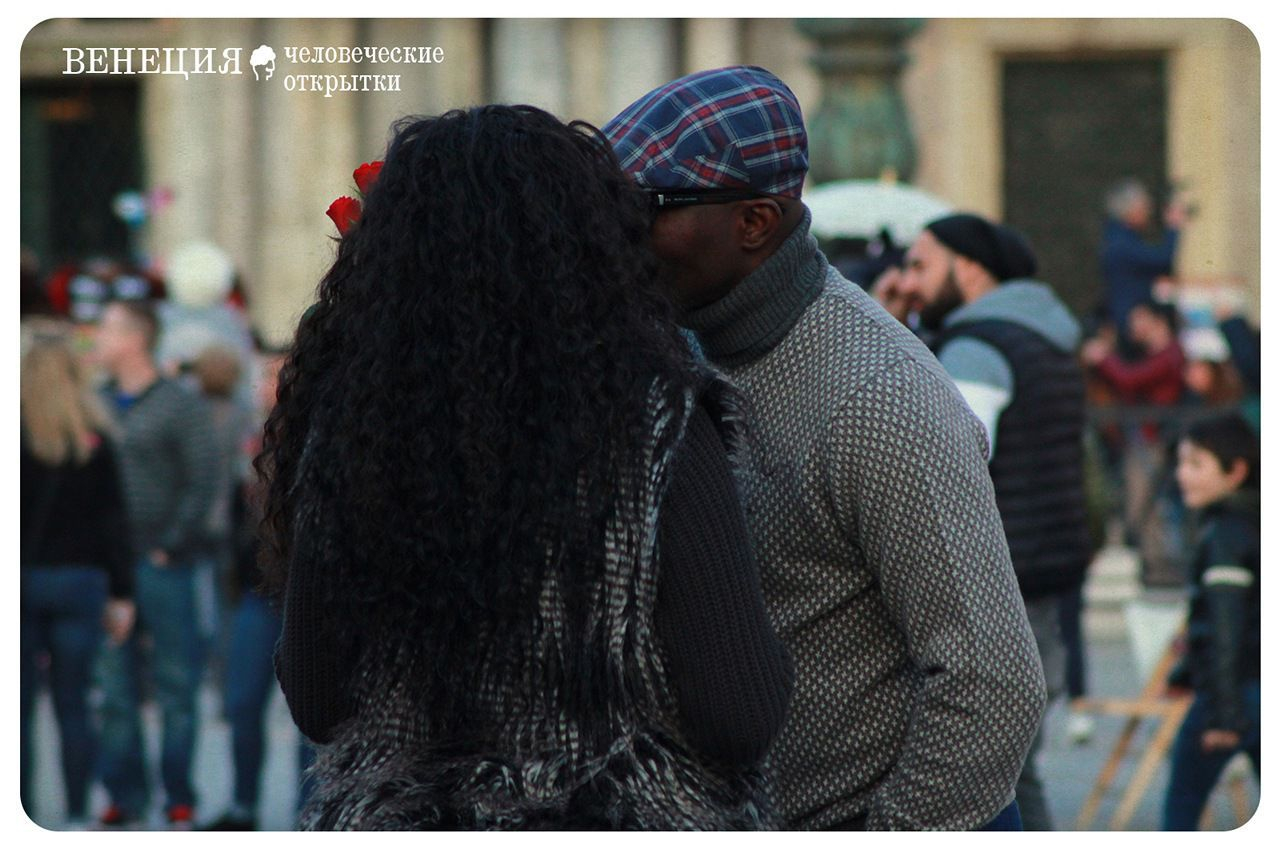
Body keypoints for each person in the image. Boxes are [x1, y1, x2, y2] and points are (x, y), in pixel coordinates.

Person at [261, 104, 795, 830]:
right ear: (592, 246)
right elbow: (737, 712)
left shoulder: (351, 432)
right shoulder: (657, 425)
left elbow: (318, 699)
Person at [605, 65, 1044, 831]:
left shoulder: (879, 397)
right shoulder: (681, 344)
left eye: (646, 209)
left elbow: (991, 685)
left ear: (754, 222)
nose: (617, 233)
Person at [873, 213, 1092, 830]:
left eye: (921, 265)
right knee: (1015, 768)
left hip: (996, 582)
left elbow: (947, 466)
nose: (907, 281)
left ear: (967, 269)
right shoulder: (1042, 334)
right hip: (1043, 571)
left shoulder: (976, 348)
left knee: (999, 775)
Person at [92, 299, 221, 829]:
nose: (96, 339)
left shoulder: (177, 404)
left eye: (105, 330)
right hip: (108, 567)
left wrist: (171, 542)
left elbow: (204, 476)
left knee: (175, 687)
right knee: (114, 690)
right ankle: (125, 795)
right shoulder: (96, 403)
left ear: (135, 339)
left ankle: (178, 796)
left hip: (162, 564)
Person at [20, 325, 136, 830]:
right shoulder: (96, 439)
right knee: (74, 703)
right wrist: (123, 593)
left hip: (22, 581)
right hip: (80, 581)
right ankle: (73, 812)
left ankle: (21, 809)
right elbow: (114, 523)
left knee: (17, 710)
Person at [200, 345, 315, 832]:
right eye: (263, 377)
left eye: (274, 376)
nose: (264, 386)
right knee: (242, 702)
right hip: (254, 590)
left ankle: (306, 813)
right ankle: (243, 805)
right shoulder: (250, 437)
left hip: (303, 597)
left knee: (308, 713)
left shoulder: (316, 439)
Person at [1162, 414, 1259, 830]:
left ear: (1236, 471)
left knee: (1181, 811)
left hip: (1234, 692)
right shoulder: (1253, 523)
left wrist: (1222, 715)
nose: (1182, 475)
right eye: (1181, 462)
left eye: (1196, 464)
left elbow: (1226, 628)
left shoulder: (1225, 535)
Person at [1082, 299, 1187, 586]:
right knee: (1140, 505)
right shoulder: (1150, 354)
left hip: (1152, 441)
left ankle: (1160, 568)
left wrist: (1103, 358)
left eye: (1139, 319)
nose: (1132, 326)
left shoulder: (1170, 354)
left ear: (1157, 321)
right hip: (1141, 440)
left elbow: (1130, 380)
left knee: (1145, 505)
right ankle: (1153, 567)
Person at [1100, 178, 1188, 338]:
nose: (1148, 212)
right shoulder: (1121, 242)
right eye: (1144, 207)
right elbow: (1162, 261)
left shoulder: (1119, 237)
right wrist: (1173, 228)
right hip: (1133, 321)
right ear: (1130, 210)